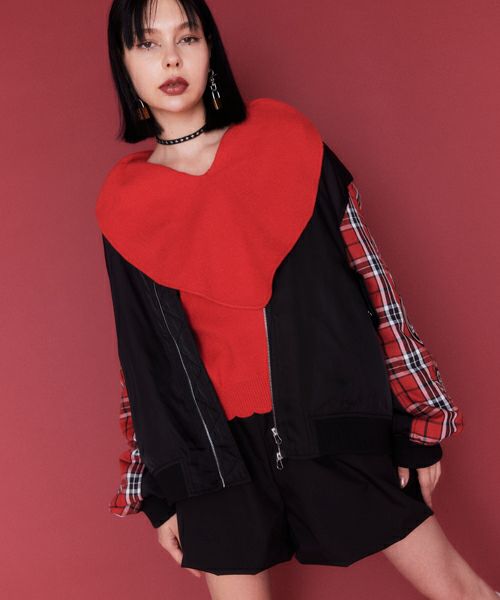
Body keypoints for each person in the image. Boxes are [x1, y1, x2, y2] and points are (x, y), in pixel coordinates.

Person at [95, 0, 499, 598]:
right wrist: (155, 487)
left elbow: (374, 284)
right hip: (213, 461)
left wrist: (419, 418)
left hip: (328, 421)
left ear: (211, 49)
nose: (172, 58)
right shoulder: (123, 203)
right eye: (147, 43)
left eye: (188, 37)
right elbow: (140, 358)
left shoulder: (286, 142)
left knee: (462, 592)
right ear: (123, 62)